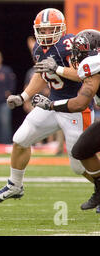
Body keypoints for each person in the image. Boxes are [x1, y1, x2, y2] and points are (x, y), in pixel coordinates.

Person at [0, 8, 94, 204]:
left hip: (75, 107)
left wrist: (58, 68)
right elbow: (41, 74)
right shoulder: (38, 48)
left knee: (79, 164)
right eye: (42, 30)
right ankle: (15, 185)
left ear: (61, 29)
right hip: (51, 104)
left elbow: (83, 73)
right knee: (20, 139)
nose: (46, 34)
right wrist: (24, 96)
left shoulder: (70, 45)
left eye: (50, 29)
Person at [31, 29, 100, 212]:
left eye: (79, 51)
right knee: (81, 150)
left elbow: (79, 103)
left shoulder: (93, 64)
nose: (75, 56)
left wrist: (50, 105)